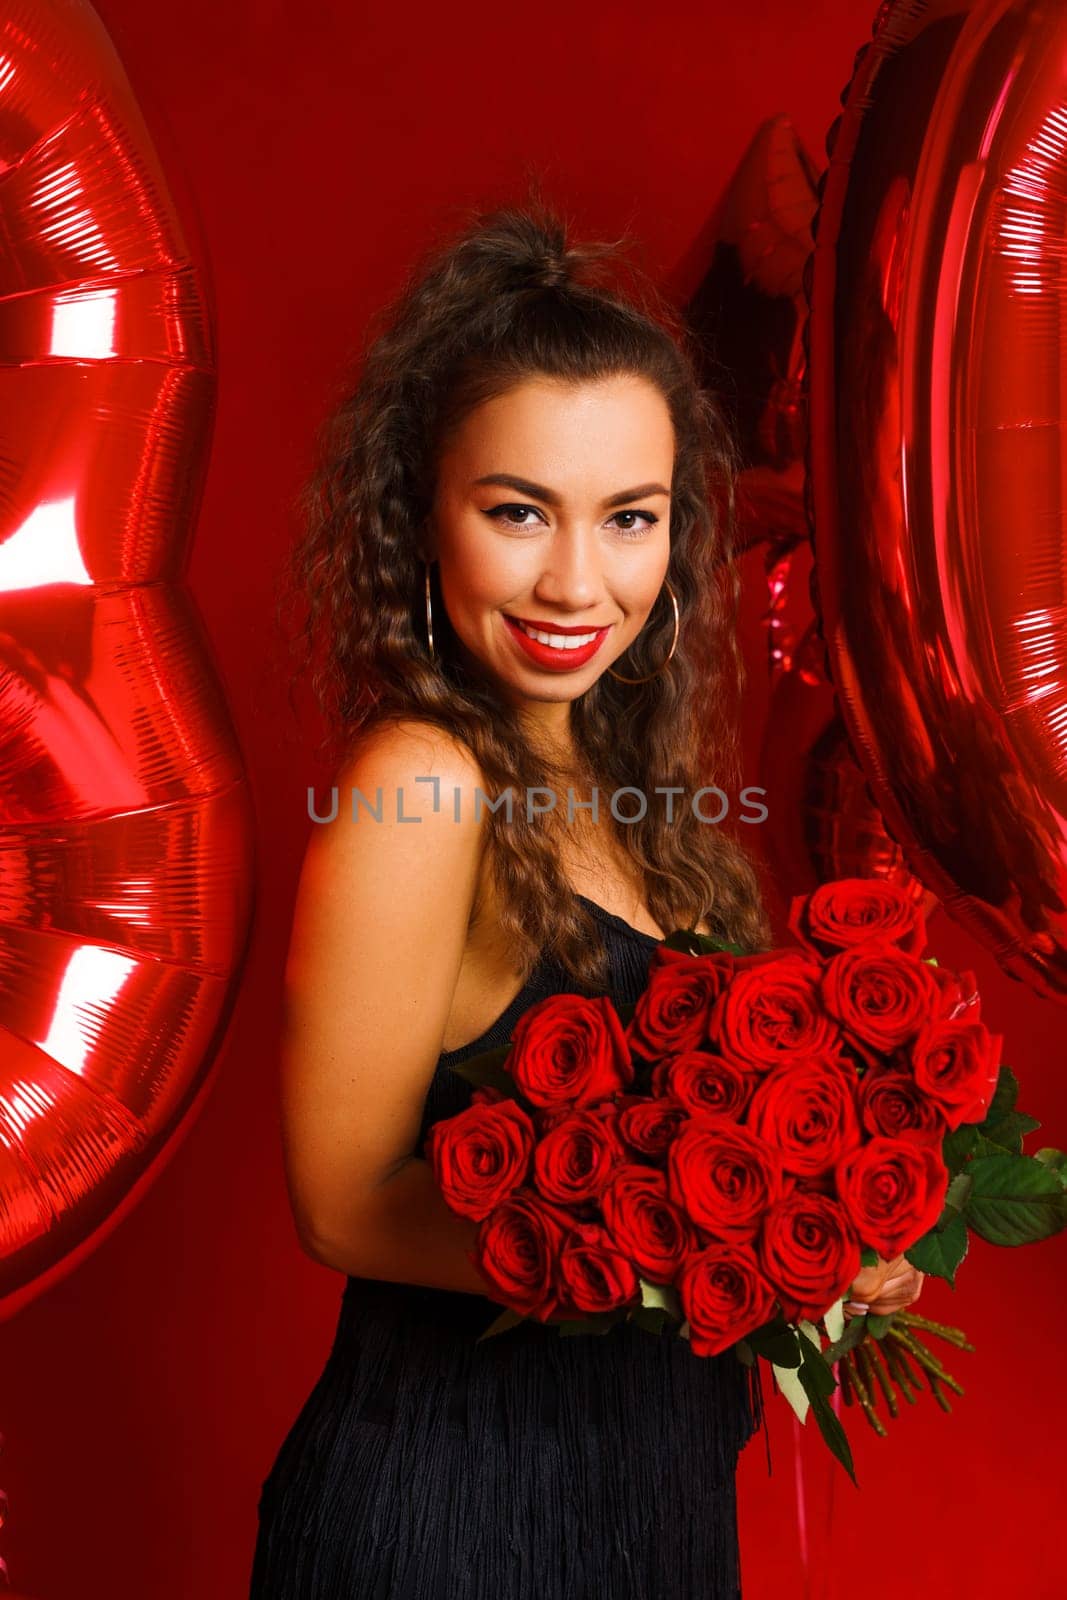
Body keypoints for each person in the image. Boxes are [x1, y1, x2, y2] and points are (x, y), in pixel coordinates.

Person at [250, 197, 922, 1599]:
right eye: (516, 512)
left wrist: (820, 1239)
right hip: (458, 1517)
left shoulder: (631, 780)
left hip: (645, 1501)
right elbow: (346, 1206)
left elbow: (684, 1149)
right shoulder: (420, 785)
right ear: (419, 508)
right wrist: (684, 1241)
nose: (577, 580)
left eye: (629, 518)